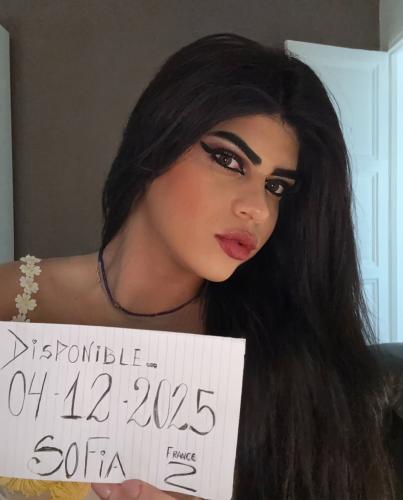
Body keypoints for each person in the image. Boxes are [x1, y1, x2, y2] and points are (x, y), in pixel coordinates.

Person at [0, 32, 400, 500]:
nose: (258, 209)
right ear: (157, 139)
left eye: (276, 187)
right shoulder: (11, 299)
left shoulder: (286, 356)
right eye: (229, 160)